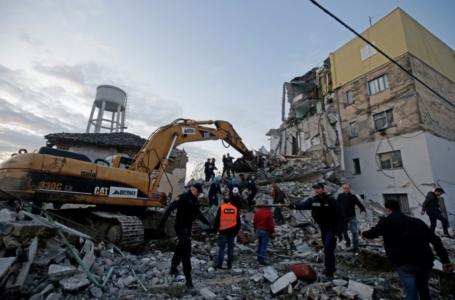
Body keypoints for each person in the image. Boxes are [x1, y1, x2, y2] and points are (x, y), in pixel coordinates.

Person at [362, 199, 454, 300]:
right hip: (424, 262)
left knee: (411, 292)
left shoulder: (386, 222)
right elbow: (436, 240)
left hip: (404, 263)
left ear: (388, 210)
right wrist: (445, 261)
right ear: (400, 208)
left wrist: (364, 234)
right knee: (424, 290)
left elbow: (374, 233)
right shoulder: (417, 222)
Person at [156, 183, 211, 294]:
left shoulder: (195, 200)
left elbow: (199, 214)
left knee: (181, 248)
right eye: (198, 191)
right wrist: (161, 223)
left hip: (188, 228)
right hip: (180, 228)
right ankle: (189, 282)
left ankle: (173, 268)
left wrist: (208, 224)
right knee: (186, 252)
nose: (199, 193)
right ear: (193, 189)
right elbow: (169, 208)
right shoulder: (182, 198)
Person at [288, 182, 345, 281]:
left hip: (333, 228)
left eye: (318, 188)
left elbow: (340, 215)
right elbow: (304, 204)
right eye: (315, 189)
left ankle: (330, 272)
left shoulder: (331, 201)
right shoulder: (313, 200)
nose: (316, 190)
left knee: (328, 248)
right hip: (323, 228)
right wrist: (294, 206)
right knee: (326, 248)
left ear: (323, 189)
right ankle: (328, 268)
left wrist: (340, 231)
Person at [212, 195, 241, 269]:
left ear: (224, 201)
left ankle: (219, 264)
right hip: (233, 231)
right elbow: (238, 221)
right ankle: (229, 264)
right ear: (230, 201)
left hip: (223, 231)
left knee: (222, 248)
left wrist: (214, 231)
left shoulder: (221, 208)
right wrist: (237, 231)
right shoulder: (234, 208)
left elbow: (217, 220)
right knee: (231, 248)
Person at [337, 184, 367, 252]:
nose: (346, 190)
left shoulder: (353, 197)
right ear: (343, 189)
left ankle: (355, 247)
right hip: (343, 217)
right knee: (344, 232)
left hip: (352, 217)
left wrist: (363, 210)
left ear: (349, 188)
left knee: (354, 232)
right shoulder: (340, 196)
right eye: (345, 188)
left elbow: (360, 204)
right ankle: (348, 242)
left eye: (347, 188)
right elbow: (337, 205)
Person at [254, 199, 275, 266]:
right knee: (263, 246)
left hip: (259, 230)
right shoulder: (269, 212)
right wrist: (273, 232)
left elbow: (255, 221)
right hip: (265, 230)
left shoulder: (257, 211)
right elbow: (271, 224)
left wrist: (255, 229)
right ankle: (262, 260)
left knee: (259, 245)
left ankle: (258, 258)